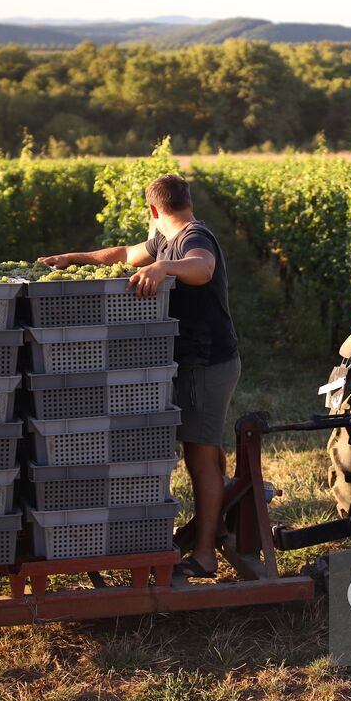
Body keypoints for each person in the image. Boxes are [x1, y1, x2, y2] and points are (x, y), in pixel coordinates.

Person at [40, 173, 239, 580]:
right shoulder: (163, 240)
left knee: (200, 457)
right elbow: (122, 253)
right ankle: (214, 527)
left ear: (152, 209)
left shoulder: (191, 238)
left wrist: (166, 266)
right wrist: (72, 259)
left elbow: (203, 267)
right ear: (187, 199)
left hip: (207, 363)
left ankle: (204, 556)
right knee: (204, 449)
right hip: (193, 360)